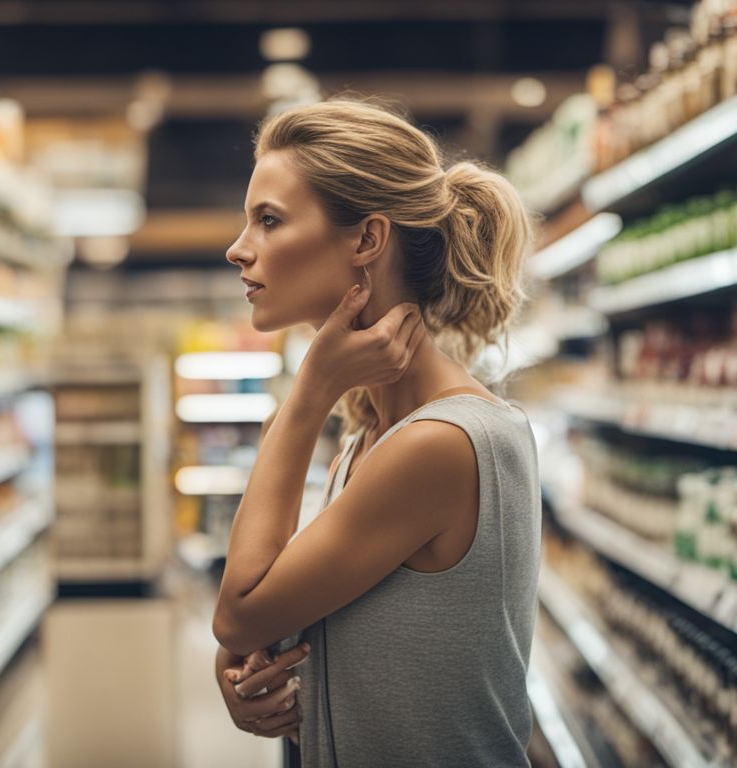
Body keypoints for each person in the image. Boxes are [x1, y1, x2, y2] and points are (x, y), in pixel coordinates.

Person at [211, 97, 542, 767]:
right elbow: (270, 622)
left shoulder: (440, 444)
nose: (237, 248)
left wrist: (309, 392)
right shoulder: (371, 441)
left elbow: (238, 609)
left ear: (366, 240)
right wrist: (251, 672)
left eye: (268, 220)